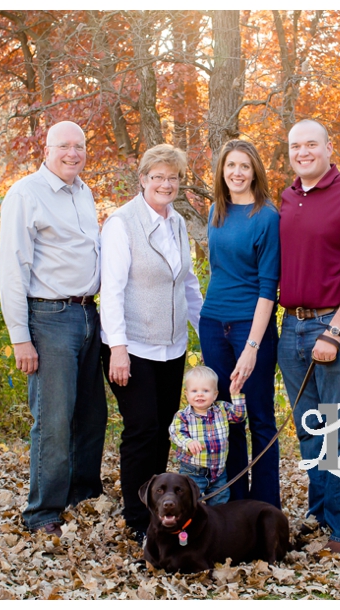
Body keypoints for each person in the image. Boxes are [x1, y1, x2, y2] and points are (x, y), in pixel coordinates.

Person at [0, 121, 107, 534]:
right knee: (54, 419)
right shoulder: (26, 194)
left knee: (92, 416)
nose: (73, 154)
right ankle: (43, 512)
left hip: (87, 315)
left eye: (79, 146)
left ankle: (83, 494)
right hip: (48, 318)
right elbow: (11, 269)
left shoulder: (84, 191)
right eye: (64, 146)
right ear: (46, 149)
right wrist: (20, 337)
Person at [278, 119, 340, 555]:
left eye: (311, 144)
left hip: (339, 325)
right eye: (295, 146)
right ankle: (319, 515)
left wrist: (334, 330)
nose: (303, 152)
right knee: (310, 430)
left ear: (328, 147)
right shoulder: (286, 198)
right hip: (292, 326)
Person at [100, 143, 204, 543]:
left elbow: (188, 284)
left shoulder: (177, 222)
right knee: (141, 430)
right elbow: (112, 290)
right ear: (142, 180)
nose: (165, 183)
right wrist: (118, 349)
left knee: (162, 430)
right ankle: (136, 518)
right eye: (157, 176)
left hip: (172, 346)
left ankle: (162, 514)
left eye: (172, 177)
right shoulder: (121, 224)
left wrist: (205, 330)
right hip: (133, 348)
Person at [199, 139, 282, 508]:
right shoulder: (216, 210)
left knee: (260, 417)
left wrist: (251, 346)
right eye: (230, 165)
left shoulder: (267, 217)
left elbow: (269, 286)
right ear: (222, 170)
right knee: (226, 417)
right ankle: (233, 507)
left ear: (254, 172)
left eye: (244, 166)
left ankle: (264, 509)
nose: (237, 172)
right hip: (214, 325)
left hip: (253, 327)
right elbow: (218, 270)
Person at [169, 366, 247, 506]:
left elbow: (239, 417)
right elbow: (176, 433)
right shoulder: (183, 416)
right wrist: (188, 442)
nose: (200, 395)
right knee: (189, 501)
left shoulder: (222, 409)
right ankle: (189, 526)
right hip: (192, 470)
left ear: (215, 394)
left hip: (218, 470)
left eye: (205, 391)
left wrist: (235, 395)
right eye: (194, 391)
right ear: (186, 394)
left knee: (220, 500)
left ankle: (216, 525)